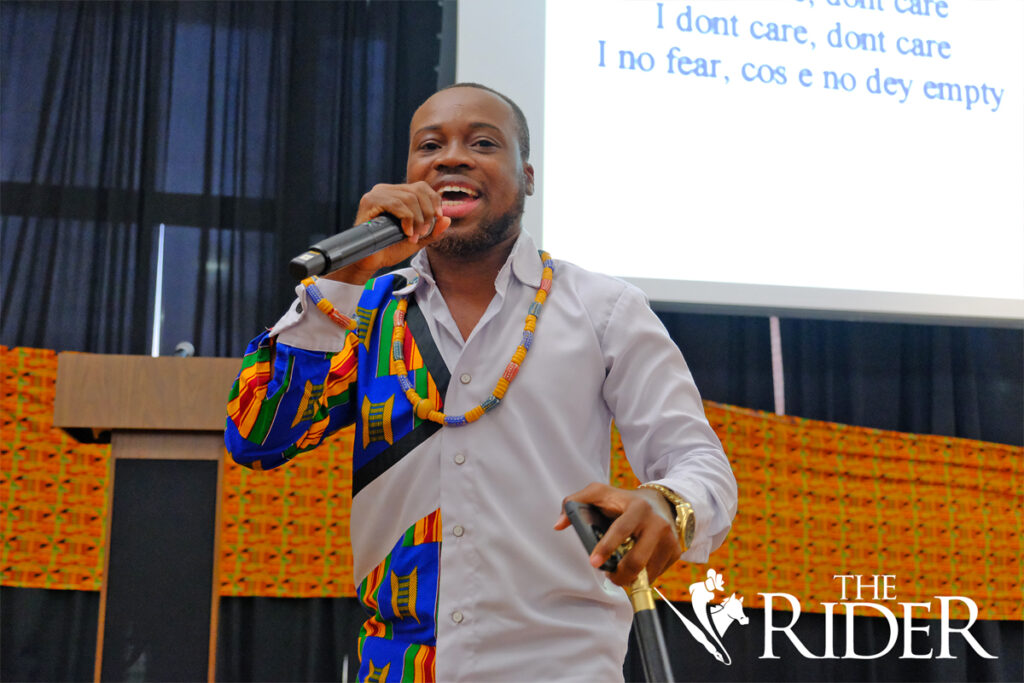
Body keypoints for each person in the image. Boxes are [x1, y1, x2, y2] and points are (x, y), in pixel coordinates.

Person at [225, 83, 737, 682]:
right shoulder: (360, 310)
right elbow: (257, 436)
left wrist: (666, 504)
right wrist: (346, 278)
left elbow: (699, 464)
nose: (450, 157)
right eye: (429, 146)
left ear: (527, 177)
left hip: (563, 667)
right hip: (398, 666)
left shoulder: (603, 309)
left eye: (483, 143)